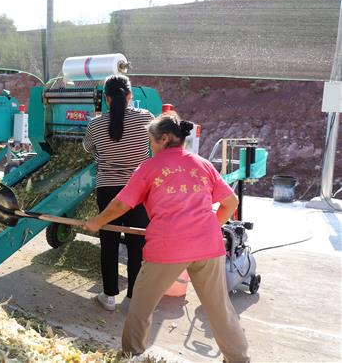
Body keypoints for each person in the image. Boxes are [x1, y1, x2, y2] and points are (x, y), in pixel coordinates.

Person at [84, 112, 249, 362]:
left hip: (168, 247)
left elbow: (121, 205)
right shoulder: (202, 163)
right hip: (208, 246)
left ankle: (131, 355)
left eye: (151, 141)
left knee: (141, 306)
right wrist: (207, 227)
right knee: (219, 308)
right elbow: (231, 202)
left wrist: (97, 222)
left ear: (163, 139)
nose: (151, 147)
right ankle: (238, 359)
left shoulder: (149, 168)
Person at [82, 75, 153, 311]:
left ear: (107, 98)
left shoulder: (96, 123)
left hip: (107, 189)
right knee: (137, 244)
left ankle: (109, 297)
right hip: (138, 190)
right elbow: (155, 146)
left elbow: (87, 148)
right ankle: (134, 296)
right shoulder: (146, 119)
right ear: (131, 95)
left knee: (109, 242)